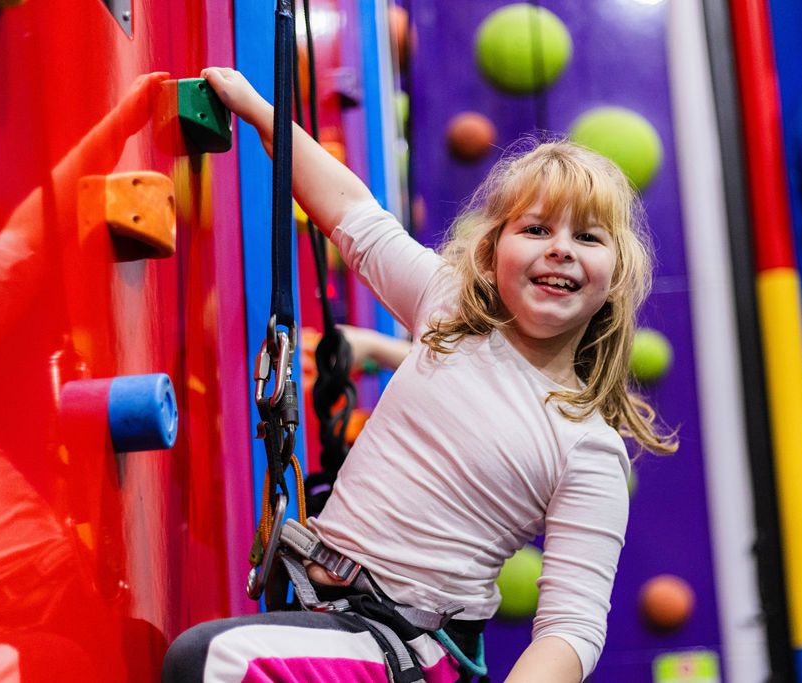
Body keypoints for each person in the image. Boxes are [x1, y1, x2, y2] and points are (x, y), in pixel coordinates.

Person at [162, 67, 676, 683]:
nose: (559, 247)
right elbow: (352, 212)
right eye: (536, 229)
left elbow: (572, 626)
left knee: (215, 663)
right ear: (491, 254)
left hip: (404, 647)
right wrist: (257, 109)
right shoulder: (449, 307)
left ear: (615, 279)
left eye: (586, 236)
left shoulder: (585, 444)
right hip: (328, 611)